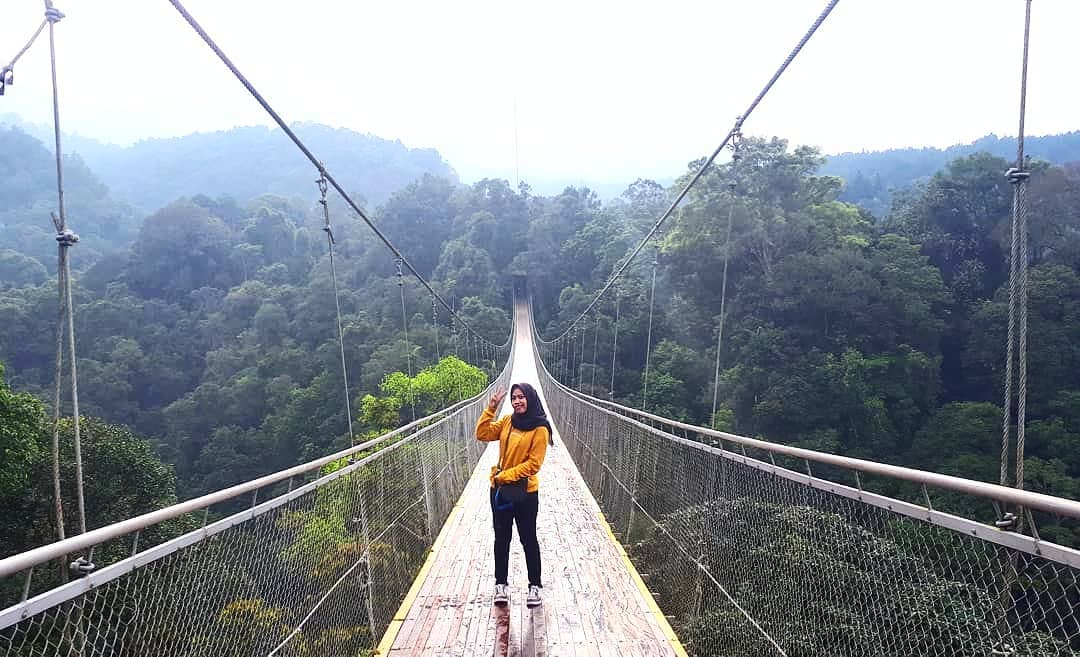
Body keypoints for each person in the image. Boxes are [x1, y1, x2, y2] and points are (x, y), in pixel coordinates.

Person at [475, 382, 552, 608]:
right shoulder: (508, 420)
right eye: (514, 398)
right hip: (500, 490)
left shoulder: (540, 428)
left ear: (530, 398)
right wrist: (491, 408)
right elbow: (482, 434)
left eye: (521, 397)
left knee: (528, 538)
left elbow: (533, 465)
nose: (517, 401)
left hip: (525, 493)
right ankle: (501, 584)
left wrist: (504, 476)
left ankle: (535, 586)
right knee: (501, 538)